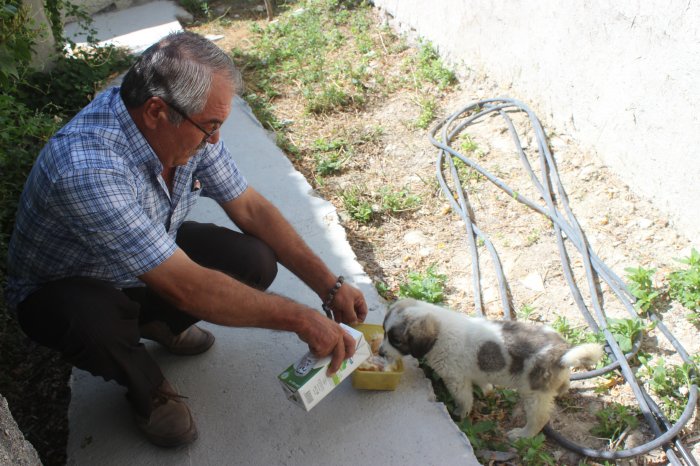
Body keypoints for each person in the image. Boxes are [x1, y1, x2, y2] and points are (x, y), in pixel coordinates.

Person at [4, 31, 368, 448]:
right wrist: (303, 319)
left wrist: (330, 284)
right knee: (92, 322)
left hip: (146, 254)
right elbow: (188, 285)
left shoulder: (188, 123)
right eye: (210, 127)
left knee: (254, 260)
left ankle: (157, 322)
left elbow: (251, 208)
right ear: (157, 111)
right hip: (68, 286)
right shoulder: (86, 169)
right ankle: (146, 388)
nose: (215, 140)